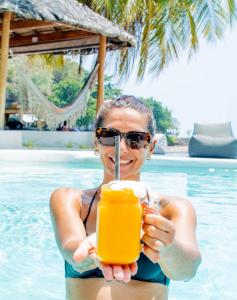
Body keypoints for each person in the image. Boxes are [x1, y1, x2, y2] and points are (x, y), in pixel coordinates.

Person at [50, 96, 201, 300]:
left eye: (135, 139)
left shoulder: (172, 209)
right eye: (109, 136)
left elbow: (188, 270)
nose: (121, 147)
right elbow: (71, 248)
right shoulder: (72, 201)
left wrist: (168, 248)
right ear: (97, 142)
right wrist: (93, 252)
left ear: (151, 147)